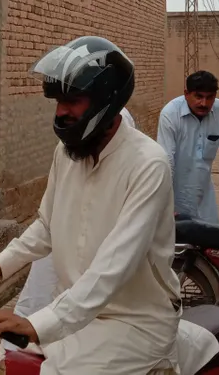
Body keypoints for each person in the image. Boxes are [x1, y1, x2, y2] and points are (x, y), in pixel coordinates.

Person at [0, 37, 183, 375]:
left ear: (106, 100)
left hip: (134, 322)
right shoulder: (67, 153)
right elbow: (46, 225)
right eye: (58, 102)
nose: (60, 112)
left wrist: (36, 323)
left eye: (72, 101)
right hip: (74, 310)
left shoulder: (148, 164)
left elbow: (114, 265)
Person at [10, 107, 137, 326]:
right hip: (62, 243)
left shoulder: (130, 146)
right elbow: (46, 224)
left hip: (100, 274)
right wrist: (0, 265)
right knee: (42, 300)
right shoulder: (64, 151)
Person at [157, 70, 219, 222]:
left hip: (205, 201)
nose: (204, 103)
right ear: (186, 94)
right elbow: (167, 162)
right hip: (174, 200)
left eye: (210, 97)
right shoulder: (171, 114)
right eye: (198, 96)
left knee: (209, 234)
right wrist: (163, 204)